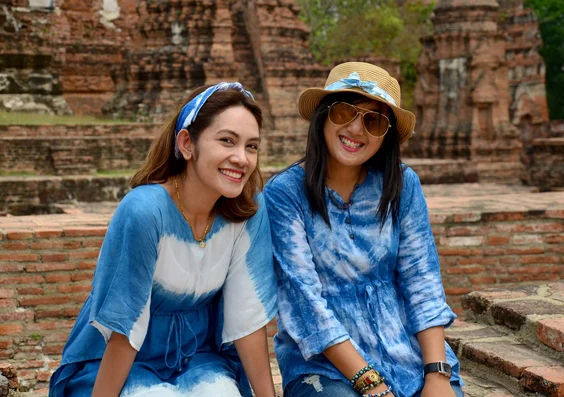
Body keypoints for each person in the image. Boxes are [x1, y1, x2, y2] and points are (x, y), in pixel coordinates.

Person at [49, 82, 277, 397]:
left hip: (196, 356)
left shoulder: (247, 210)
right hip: (124, 358)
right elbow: (124, 328)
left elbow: (247, 316)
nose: (242, 159)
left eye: (251, 146)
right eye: (227, 141)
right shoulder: (145, 211)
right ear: (187, 144)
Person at [264, 62, 464, 397]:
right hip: (326, 367)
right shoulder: (285, 194)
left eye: (374, 120)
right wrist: (371, 383)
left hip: (408, 355)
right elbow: (305, 302)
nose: (357, 129)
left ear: (385, 136)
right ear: (324, 116)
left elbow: (422, 281)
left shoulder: (402, 184)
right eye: (345, 112)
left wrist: (437, 374)